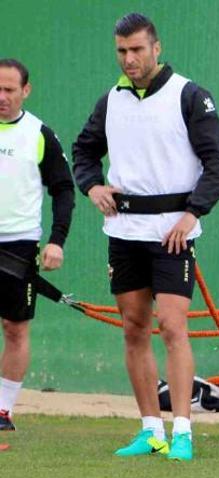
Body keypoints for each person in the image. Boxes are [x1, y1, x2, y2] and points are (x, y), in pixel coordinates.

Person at [72, 13, 219, 462]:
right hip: (124, 231)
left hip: (171, 235)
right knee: (133, 328)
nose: (129, 59)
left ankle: (182, 431)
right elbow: (83, 150)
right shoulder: (111, 100)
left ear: (157, 48)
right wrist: (93, 186)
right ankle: (151, 430)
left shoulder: (189, 96)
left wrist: (192, 213)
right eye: (122, 51)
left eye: (137, 50)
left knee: (172, 326)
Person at [0, 58, 74, 432]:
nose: (2, 97)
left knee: (15, 328)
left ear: (25, 91)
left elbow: (63, 189)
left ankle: (2, 410)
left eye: (9, 90)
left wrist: (56, 241)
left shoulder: (39, 134)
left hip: (18, 244)